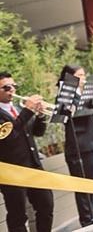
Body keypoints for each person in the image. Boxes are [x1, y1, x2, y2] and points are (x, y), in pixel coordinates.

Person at [0, 72, 54, 232]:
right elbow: (9, 138)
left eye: (14, 86)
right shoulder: (19, 111)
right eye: (6, 87)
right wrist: (28, 111)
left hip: (33, 166)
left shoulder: (17, 108)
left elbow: (36, 133)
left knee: (46, 206)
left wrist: (39, 116)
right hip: (12, 172)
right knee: (17, 216)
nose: (12, 90)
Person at [58, 64, 93, 227]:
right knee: (83, 184)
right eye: (79, 75)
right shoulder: (65, 94)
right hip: (80, 145)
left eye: (84, 75)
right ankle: (87, 218)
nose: (83, 78)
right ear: (70, 77)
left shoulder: (88, 93)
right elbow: (63, 116)